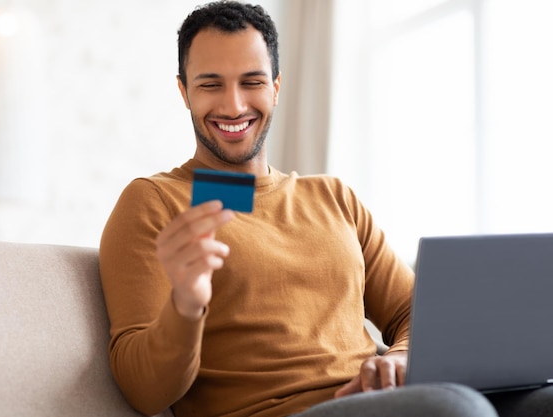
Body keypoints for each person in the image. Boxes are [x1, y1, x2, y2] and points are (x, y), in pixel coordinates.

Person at [98, 2, 545, 417]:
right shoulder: (155, 202)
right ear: (184, 92)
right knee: (455, 410)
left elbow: (413, 311)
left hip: (386, 402)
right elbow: (143, 390)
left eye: (251, 82)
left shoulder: (333, 197)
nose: (233, 105)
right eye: (210, 84)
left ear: (275, 88)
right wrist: (187, 303)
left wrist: (400, 358)